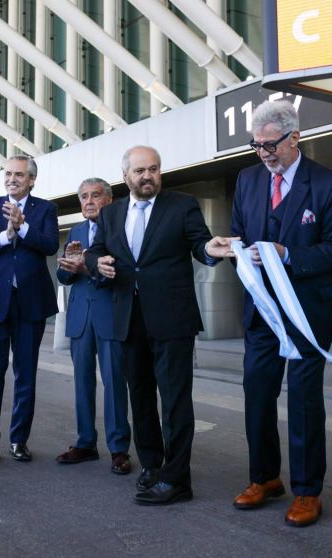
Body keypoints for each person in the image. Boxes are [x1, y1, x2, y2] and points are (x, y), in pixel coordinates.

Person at [224, 100, 332, 527]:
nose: (263, 153)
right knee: (257, 394)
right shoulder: (246, 180)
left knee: (303, 400)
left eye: (270, 144)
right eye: (255, 145)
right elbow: (241, 237)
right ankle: (264, 479)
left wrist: (288, 255)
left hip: (309, 314)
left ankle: (306, 490)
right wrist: (233, 252)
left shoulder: (331, 184)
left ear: (295, 137)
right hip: (262, 310)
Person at [84, 146, 229, 505]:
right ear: (126, 176)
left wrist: (211, 249)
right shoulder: (111, 213)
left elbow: (200, 244)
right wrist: (96, 262)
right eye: (139, 171)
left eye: (153, 169)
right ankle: (151, 465)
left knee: (176, 401)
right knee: (141, 397)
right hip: (128, 318)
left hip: (172, 318)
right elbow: (94, 250)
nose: (147, 176)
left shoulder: (182, 206)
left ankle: (178, 479)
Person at [0, 155, 59, 467]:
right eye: (8, 174)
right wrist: (7, 234)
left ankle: (19, 440)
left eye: (19, 175)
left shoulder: (46, 209)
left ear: (31, 180)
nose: (12, 179)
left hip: (31, 304)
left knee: (26, 376)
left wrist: (23, 226)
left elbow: (49, 245)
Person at [55, 178, 132, 475]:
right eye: (84, 197)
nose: (89, 201)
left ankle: (118, 449)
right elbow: (63, 278)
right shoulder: (75, 231)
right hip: (79, 318)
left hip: (110, 316)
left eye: (95, 195)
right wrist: (69, 266)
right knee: (82, 383)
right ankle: (85, 442)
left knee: (114, 383)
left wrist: (84, 266)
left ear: (108, 200)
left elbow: (119, 272)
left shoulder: (120, 228)